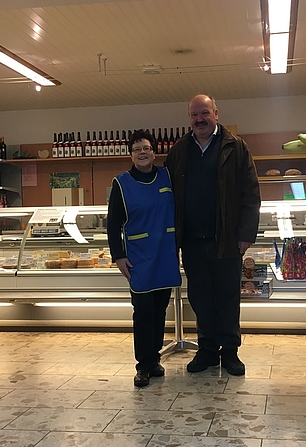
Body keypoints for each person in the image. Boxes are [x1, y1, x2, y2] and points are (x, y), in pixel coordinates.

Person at [165, 94, 261, 376]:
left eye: (204, 113)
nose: (199, 119)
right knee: (200, 298)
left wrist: (246, 233)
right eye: (194, 115)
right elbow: (169, 195)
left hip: (227, 239)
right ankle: (206, 350)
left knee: (228, 296)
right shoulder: (180, 150)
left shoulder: (236, 147)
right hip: (192, 241)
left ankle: (230, 352)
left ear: (216, 114)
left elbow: (251, 193)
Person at [107, 129, 181, 387]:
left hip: (165, 254)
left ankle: (155, 359)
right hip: (138, 258)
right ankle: (143, 365)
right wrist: (118, 256)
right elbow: (113, 224)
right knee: (143, 311)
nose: (142, 153)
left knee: (160, 309)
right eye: (137, 149)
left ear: (154, 152)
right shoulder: (121, 183)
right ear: (131, 154)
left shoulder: (167, 176)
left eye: (146, 148)